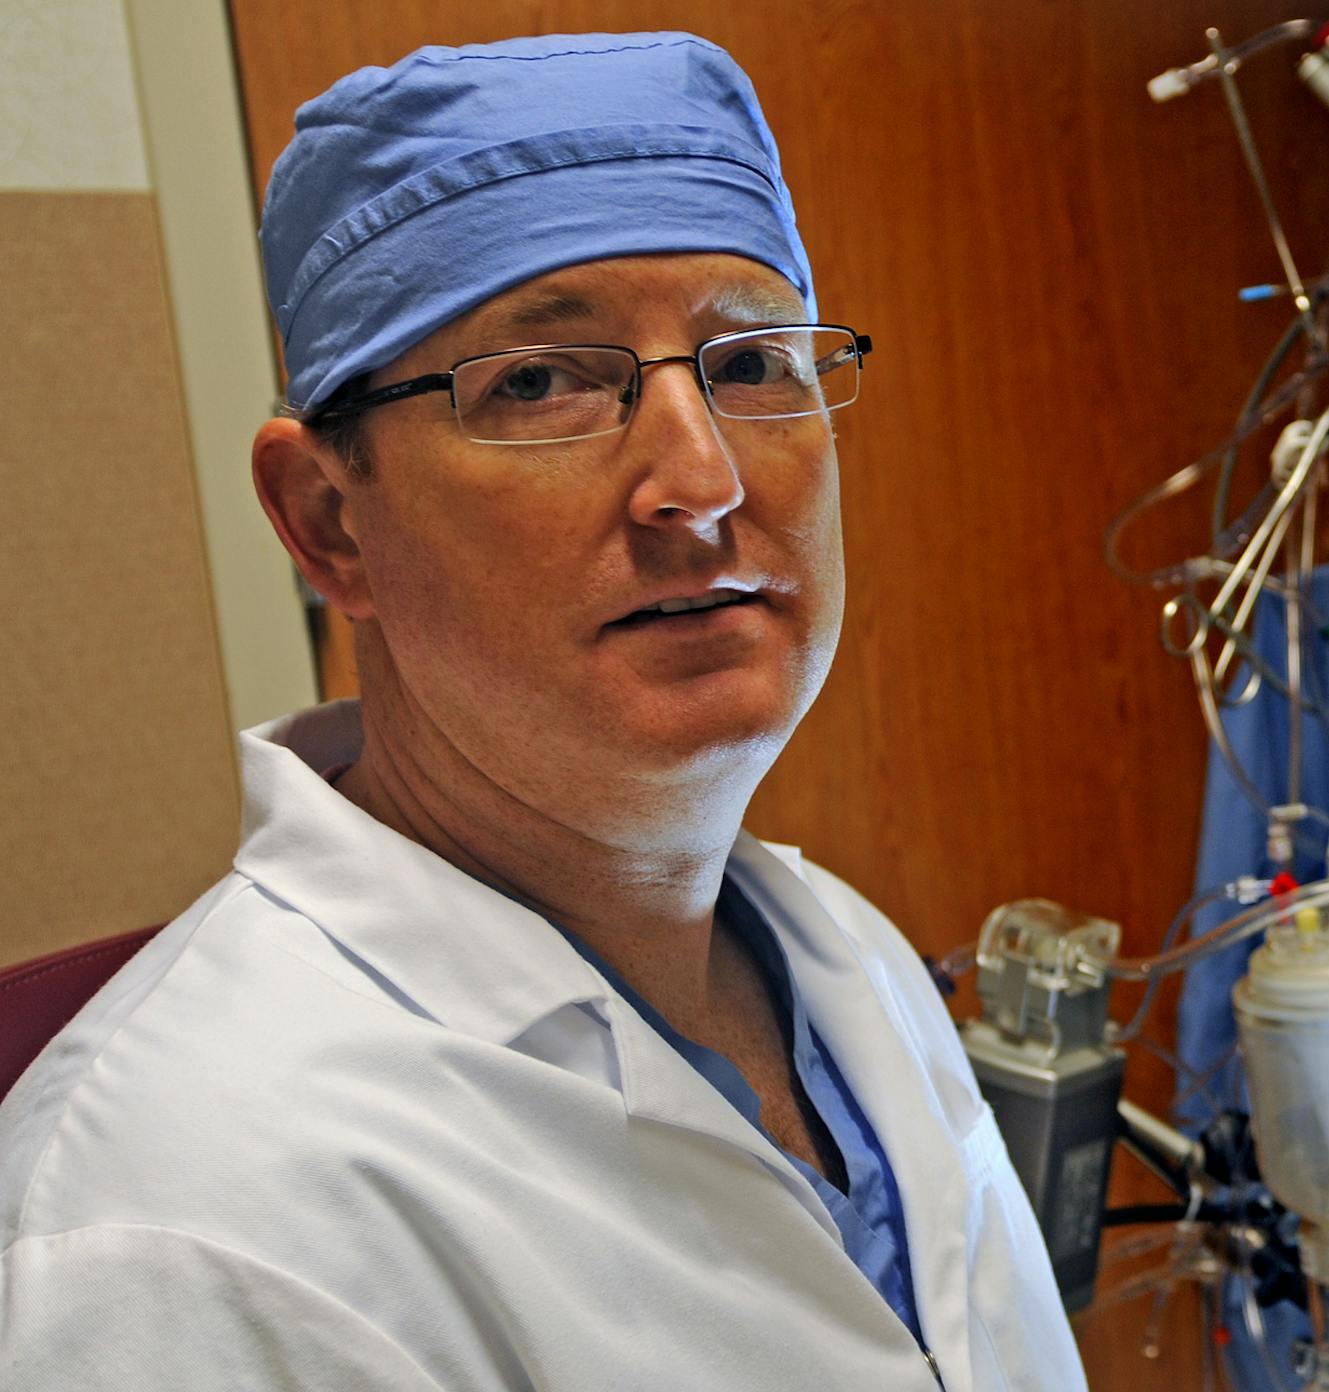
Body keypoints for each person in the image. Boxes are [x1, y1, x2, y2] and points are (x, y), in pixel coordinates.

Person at [0, 32, 1082, 1391]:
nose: (701, 478)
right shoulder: (180, 1221)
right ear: (331, 525)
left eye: (750, 362)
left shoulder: (838, 956)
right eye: (539, 383)